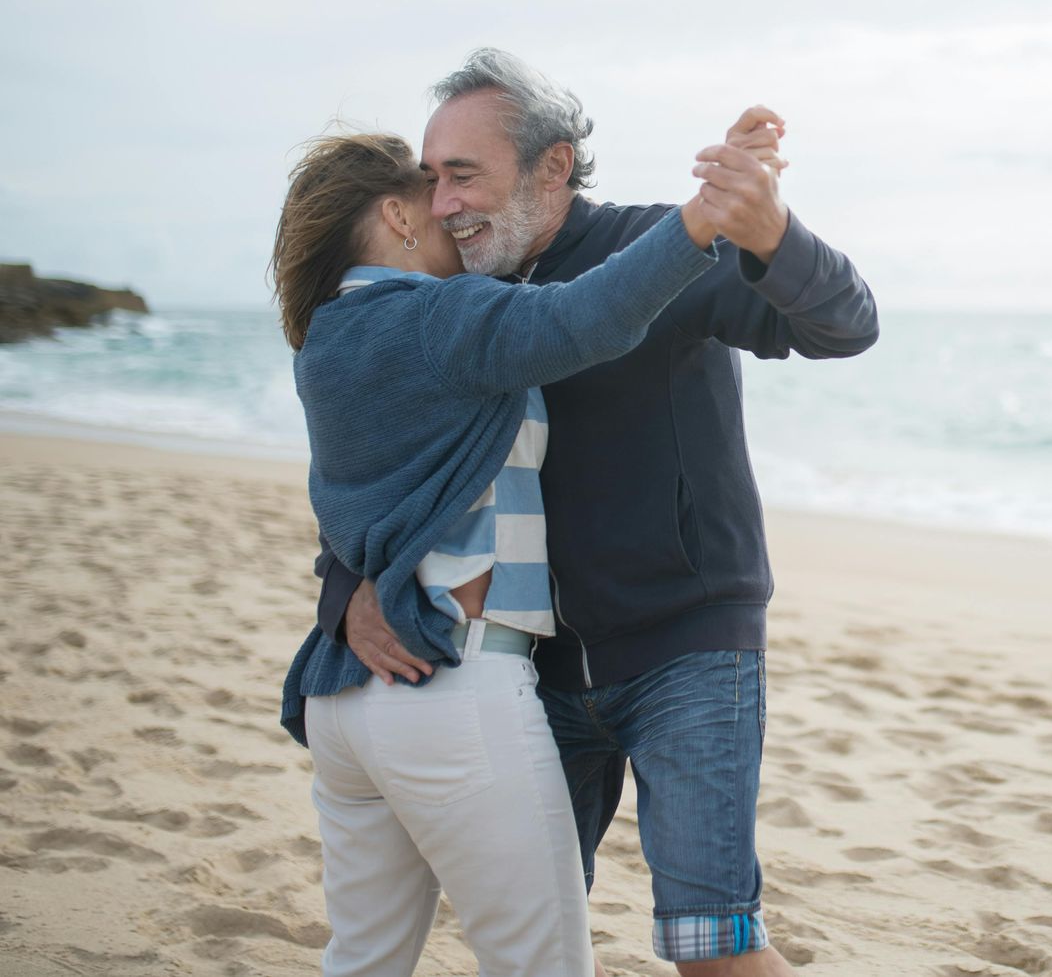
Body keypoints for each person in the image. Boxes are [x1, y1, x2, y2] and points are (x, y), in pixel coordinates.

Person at [314, 49, 879, 975]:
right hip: (532, 673)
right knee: (533, 934)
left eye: (464, 175)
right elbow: (371, 458)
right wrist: (350, 586)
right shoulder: (457, 296)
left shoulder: (663, 250)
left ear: (553, 166)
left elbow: (845, 326)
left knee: (710, 944)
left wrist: (772, 233)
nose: (445, 202)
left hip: (684, 649)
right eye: (433, 181)